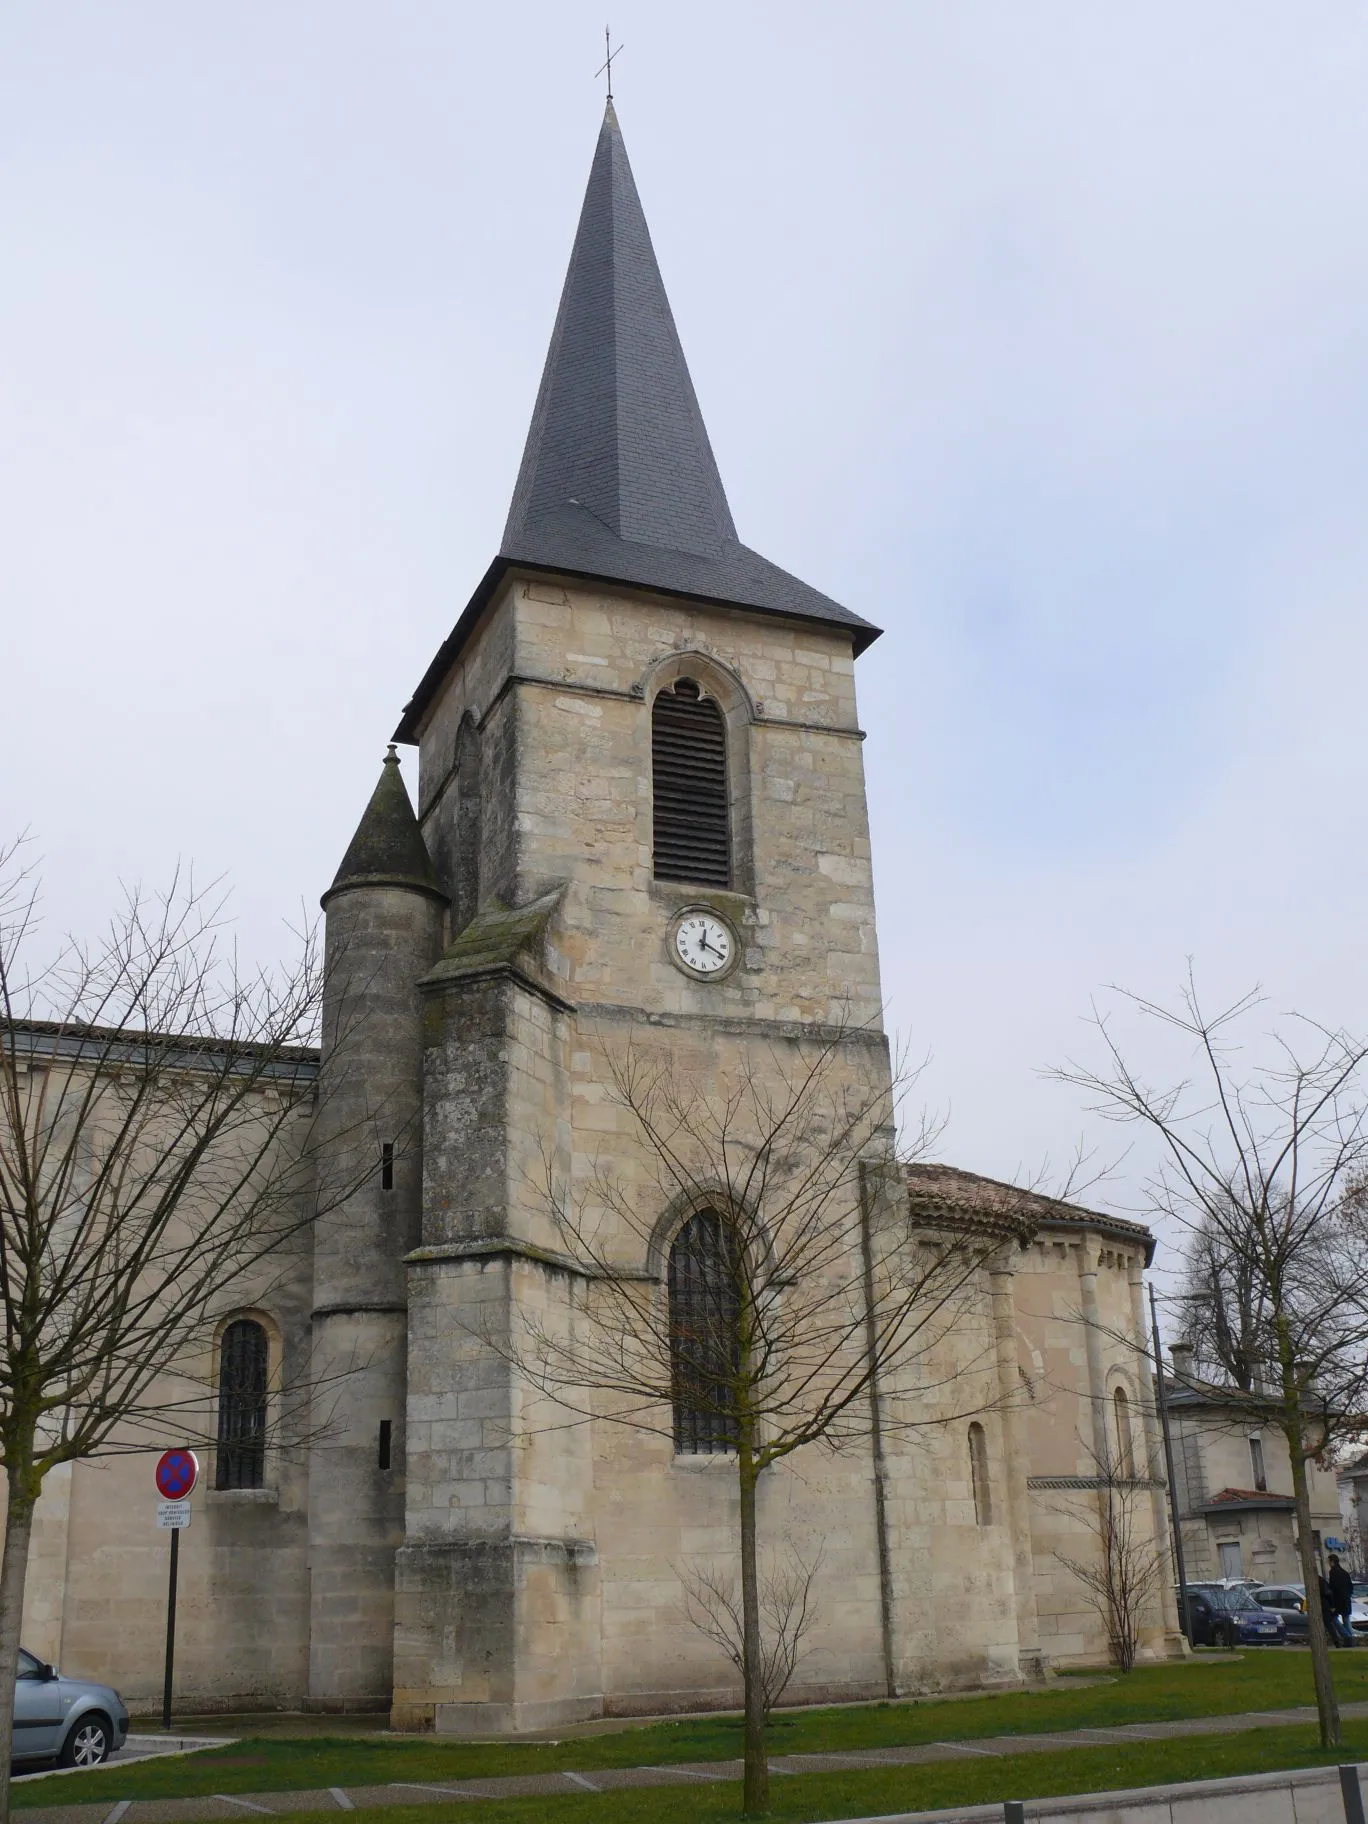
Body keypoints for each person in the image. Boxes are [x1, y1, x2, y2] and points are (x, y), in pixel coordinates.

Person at [1328, 1553, 1356, 1647]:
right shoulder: (1345, 1573)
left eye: (1329, 1561)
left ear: (1332, 1562)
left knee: (1333, 1618)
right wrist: (1348, 1595)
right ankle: (1350, 1640)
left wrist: (1332, 1603)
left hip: (1337, 1600)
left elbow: (1332, 1588)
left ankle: (1347, 1636)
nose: (1328, 1563)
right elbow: (1350, 1587)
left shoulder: (1333, 1572)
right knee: (1346, 1619)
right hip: (1346, 1599)